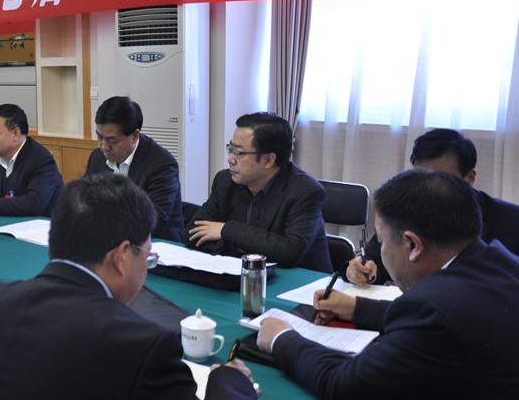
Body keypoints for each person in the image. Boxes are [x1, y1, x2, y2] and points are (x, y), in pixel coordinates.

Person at [0, 176, 257, 400]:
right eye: (148, 257)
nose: (147, 267)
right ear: (122, 257)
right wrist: (231, 383)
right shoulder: (139, 347)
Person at [257, 169, 519, 400]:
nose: (379, 252)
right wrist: (357, 308)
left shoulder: (435, 311)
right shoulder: (499, 262)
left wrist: (283, 338)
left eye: (381, 242)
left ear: (413, 246)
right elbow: (451, 317)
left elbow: (343, 386)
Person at [348, 127, 519, 286]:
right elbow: (374, 258)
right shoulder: (406, 207)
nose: (427, 188)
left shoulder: (511, 222)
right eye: (418, 177)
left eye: (440, 178)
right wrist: (363, 269)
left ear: (470, 178)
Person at [185, 112, 331, 272]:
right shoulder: (225, 181)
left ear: (268, 160)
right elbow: (192, 234)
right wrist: (248, 246)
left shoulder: (306, 192)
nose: (230, 159)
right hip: (244, 276)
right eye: (231, 149)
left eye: (239, 153)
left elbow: (288, 252)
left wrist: (225, 230)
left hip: (300, 283)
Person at [84, 96, 183, 241]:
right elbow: (83, 201)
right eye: (100, 137)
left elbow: (154, 223)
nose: (104, 146)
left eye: (112, 140)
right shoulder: (97, 157)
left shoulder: (162, 164)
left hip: (154, 246)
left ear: (135, 136)